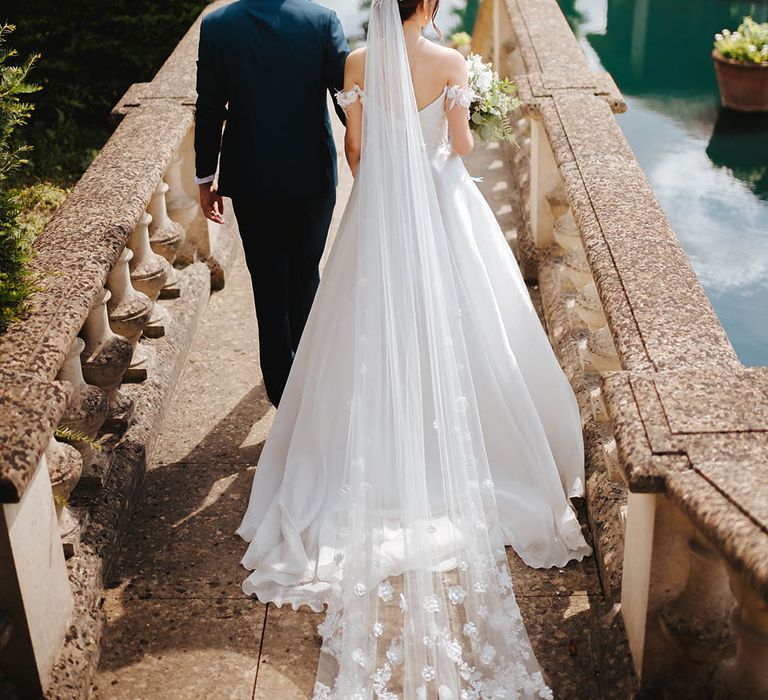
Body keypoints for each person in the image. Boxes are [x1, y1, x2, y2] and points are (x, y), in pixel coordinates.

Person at [238, 0, 591, 695]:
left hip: (379, 212)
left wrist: (387, 174)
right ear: (427, 4)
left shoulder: (359, 62)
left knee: (357, 325)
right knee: (473, 323)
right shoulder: (451, 62)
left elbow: (358, 149)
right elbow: (460, 148)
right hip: (442, 203)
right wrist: (466, 108)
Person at [194, 0, 349, 406]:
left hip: (252, 177)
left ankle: (284, 396)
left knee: (267, 284)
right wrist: (375, 147)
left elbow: (209, 107)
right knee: (305, 276)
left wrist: (205, 176)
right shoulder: (321, 20)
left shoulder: (217, 26)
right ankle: (314, 390)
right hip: (312, 175)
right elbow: (346, 97)